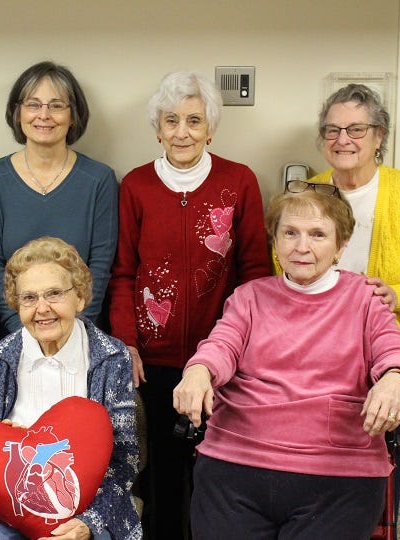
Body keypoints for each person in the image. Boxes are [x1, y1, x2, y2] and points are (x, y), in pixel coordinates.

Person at [173, 189, 400, 539]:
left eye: (318, 234)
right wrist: (198, 371)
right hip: (236, 463)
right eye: (290, 233)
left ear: (341, 245)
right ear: (275, 240)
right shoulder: (249, 297)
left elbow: (394, 351)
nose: (301, 247)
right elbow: (221, 346)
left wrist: (394, 379)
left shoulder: (365, 298)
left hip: (339, 474)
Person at [107, 71, 270, 539]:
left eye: (194, 121)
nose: (182, 132)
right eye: (171, 120)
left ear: (210, 129)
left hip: (222, 356)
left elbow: (256, 273)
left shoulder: (238, 181)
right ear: (157, 129)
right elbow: (122, 272)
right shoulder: (136, 186)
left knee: (216, 471)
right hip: (153, 361)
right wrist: (127, 345)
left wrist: (247, 348)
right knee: (160, 472)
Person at [310, 83, 400, 525]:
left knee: (377, 481)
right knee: (315, 474)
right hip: (314, 358)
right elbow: (284, 267)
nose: (343, 140)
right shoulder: (311, 191)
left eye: (356, 128)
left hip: (384, 359)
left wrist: (399, 296)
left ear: (379, 135)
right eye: (332, 130)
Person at [0, 237, 141, 540]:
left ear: (80, 298)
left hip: (89, 499)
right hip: (6, 493)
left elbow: (125, 458)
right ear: (17, 306)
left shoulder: (111, 356)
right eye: (29, 298)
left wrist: (88, 522)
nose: (42, 308)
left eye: (54, 294)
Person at [0, 61, 118, 344]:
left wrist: (73, 336)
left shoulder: (99, 180)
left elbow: (99, 268)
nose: (44, 115)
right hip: (11, 335)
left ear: (74, 115)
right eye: (33, 105)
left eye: (57, 105)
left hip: (81, 335)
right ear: (18, 113)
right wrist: (25, 333)